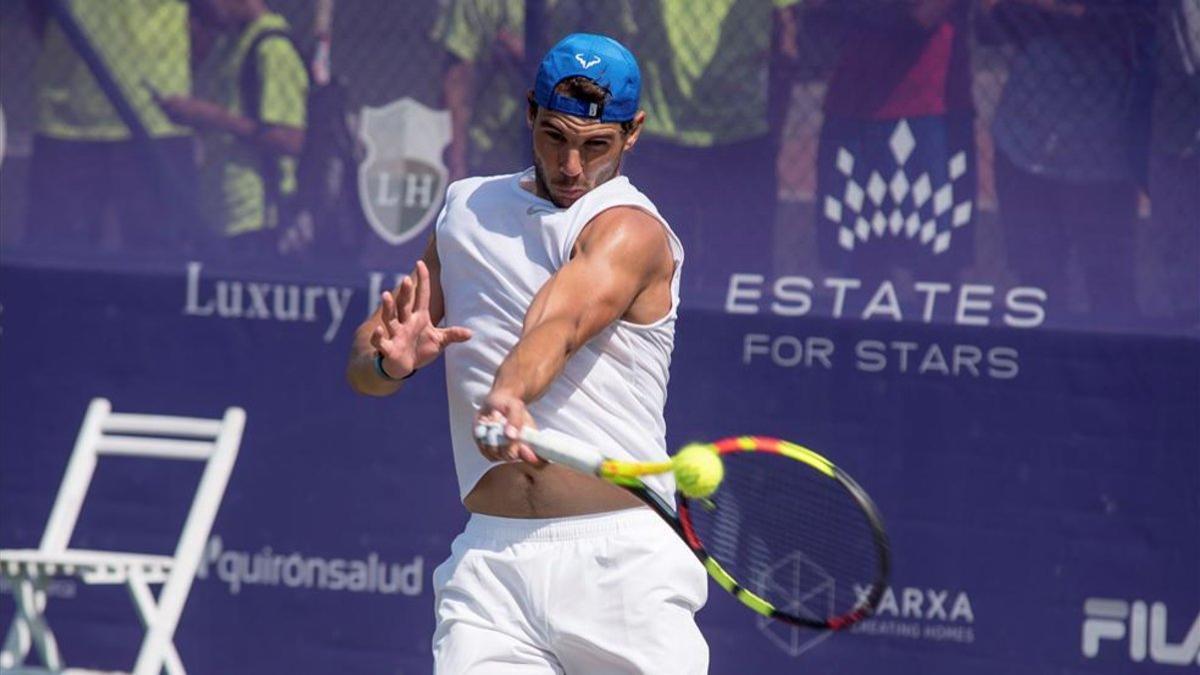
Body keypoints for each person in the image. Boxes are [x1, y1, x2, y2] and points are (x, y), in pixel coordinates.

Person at [346, 33, 704, 673]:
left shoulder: (629, 228)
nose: (572, 167)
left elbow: (559, 321)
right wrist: (386, 361)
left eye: (596, 146)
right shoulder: (467, 210)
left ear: (633, 133)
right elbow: (365, 367)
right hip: (493, 569)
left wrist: (508, 393)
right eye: (555, 137)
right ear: (529, 114)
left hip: (622, 568)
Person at [24, 0, 194, 257]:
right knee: (56, 257)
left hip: (157, 121)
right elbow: (38, 12)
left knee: (160, 260)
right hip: (67, 119)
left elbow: (215, 16)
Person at [158, 0, 308, 258]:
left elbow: (290, 139)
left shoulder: (272, 48)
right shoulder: (228, 46)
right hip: (217, 212)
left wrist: (213, 117)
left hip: (257, 218)